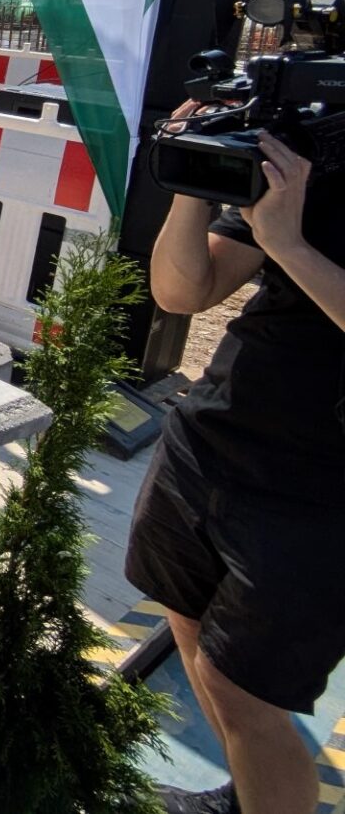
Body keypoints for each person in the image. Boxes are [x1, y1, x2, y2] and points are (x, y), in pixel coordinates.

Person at [131, 120, 345, 814]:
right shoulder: (320, 146)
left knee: (241, 688)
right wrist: (194, 178)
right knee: (192, 632)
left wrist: (289, 243)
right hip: (215, 435)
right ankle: (248, 795)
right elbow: (181, 292)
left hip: (320, 486)